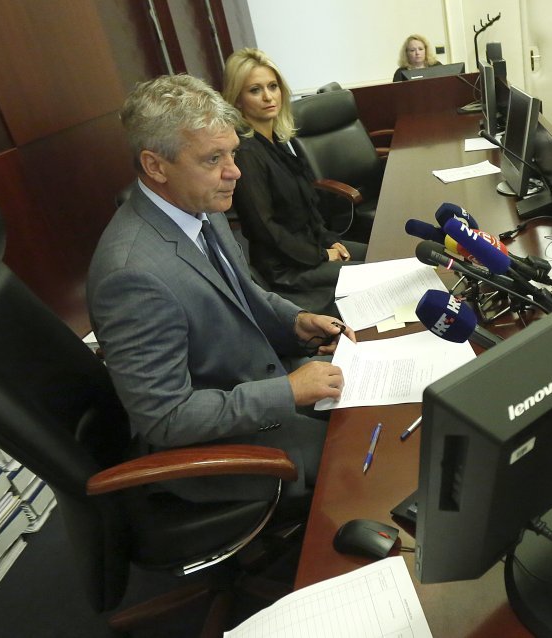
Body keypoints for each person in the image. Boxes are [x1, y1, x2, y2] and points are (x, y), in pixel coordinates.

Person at [87, 73, 354, 505]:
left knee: (378, 410)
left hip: (257, 380)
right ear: (156, 166)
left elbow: (242, 293)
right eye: (213, 159)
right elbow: (166, 418)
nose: (235, 172)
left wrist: (297, 321)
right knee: (365, 457)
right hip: (221, 449)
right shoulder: (131, 276)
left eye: (232, 153)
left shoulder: (201, 205)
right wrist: (287, 391)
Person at [222, 48, 367, 317]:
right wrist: (322, 255)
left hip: (312, 248)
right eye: (255, 90)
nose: (268, 96)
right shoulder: (246, 153)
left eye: (273, 86)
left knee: (382, 255)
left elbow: (308, 208)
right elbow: (265, 229)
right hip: (287, 268)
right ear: (237, 100)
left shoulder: (277, 141)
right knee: (374, 276)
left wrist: (330, 241)